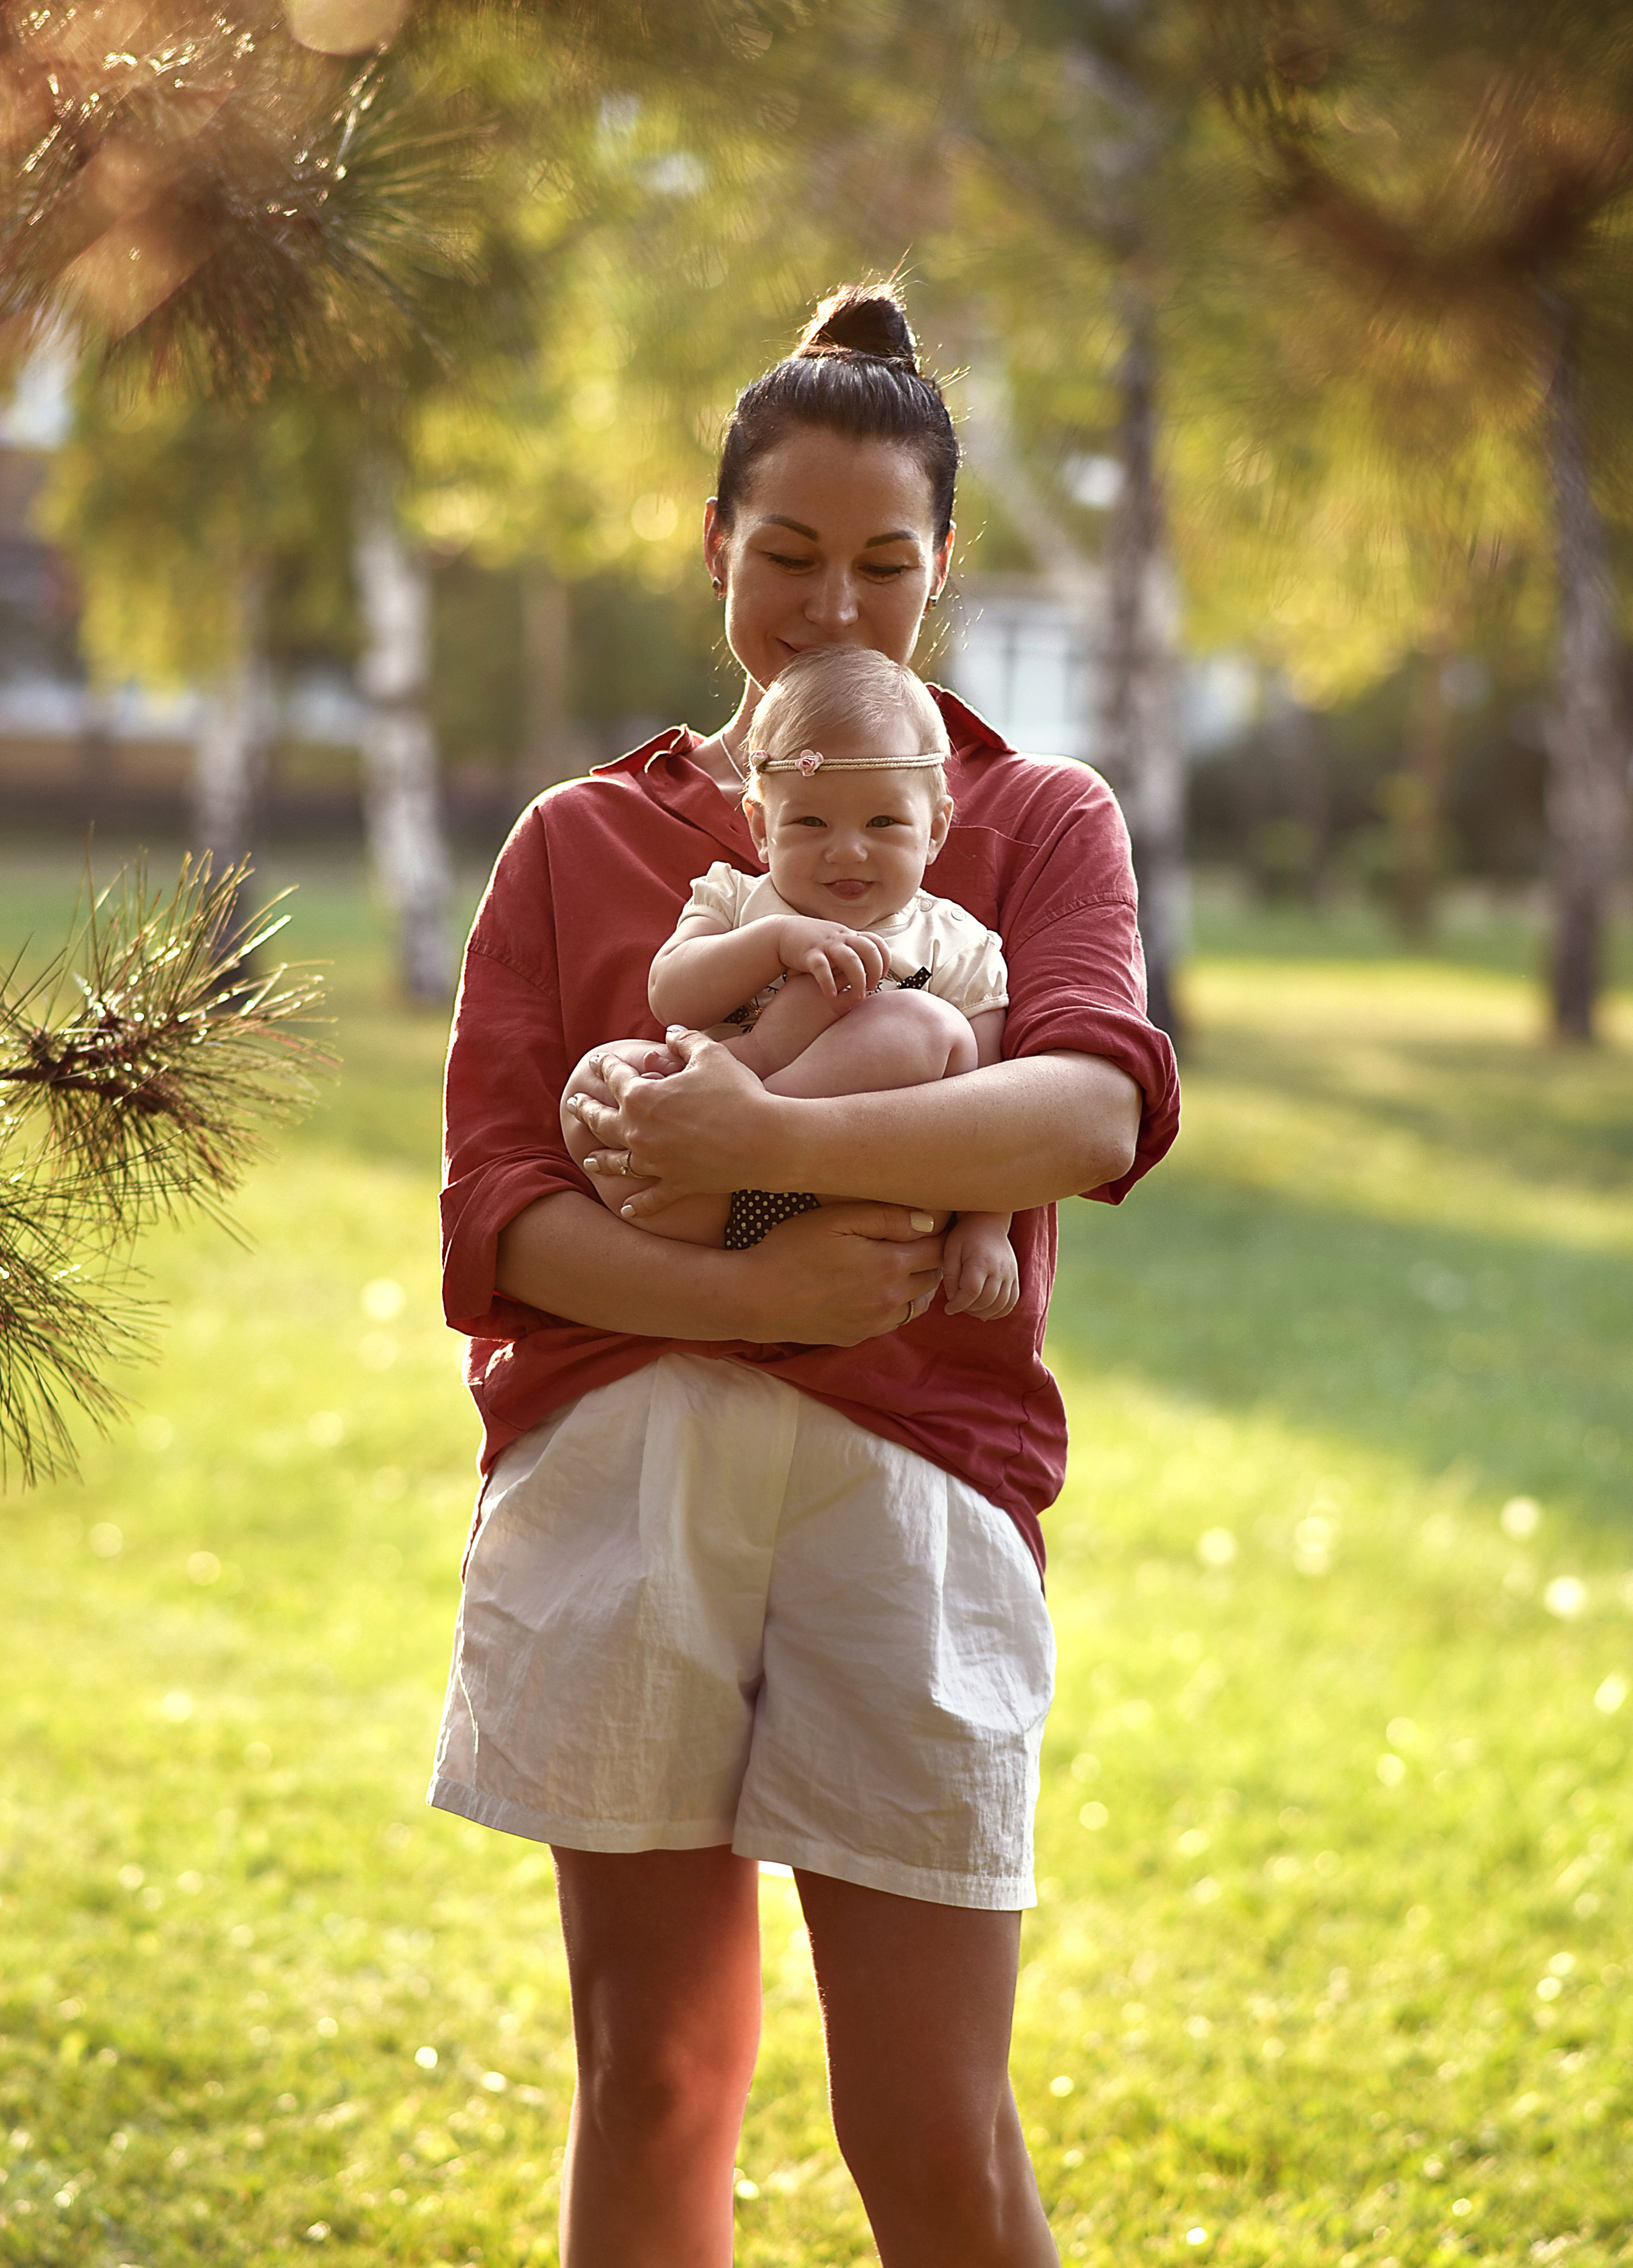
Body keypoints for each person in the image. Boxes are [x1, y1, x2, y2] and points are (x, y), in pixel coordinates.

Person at [431, 281, 1181, 2268]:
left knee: (925, 2115)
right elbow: (501, 1217)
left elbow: (1087, 1113)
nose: (830, 611)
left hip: (914, 1496)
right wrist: (768, 1289)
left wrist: (767, 1151)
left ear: (939, 573)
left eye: (880, 565)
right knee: (657, 2071)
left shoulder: (1028, 817)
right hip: (625, 1479)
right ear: (713, 550)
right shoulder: (586, 845)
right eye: (786, 558)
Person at [558, 642, 1019, 1318]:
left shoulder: (958, 944)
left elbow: (991, 1107)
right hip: (699, 1194)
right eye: (809, 821)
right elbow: (671, 995)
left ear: (936, 829)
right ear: (760, 826)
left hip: (851, 1190)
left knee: (925, 1026)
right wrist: (774, 943)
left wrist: (988, 1228)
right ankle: (726, 1141)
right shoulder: (734, 901)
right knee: (599, 1077)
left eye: (884, 822)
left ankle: (751, 1115)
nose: (847, 849)